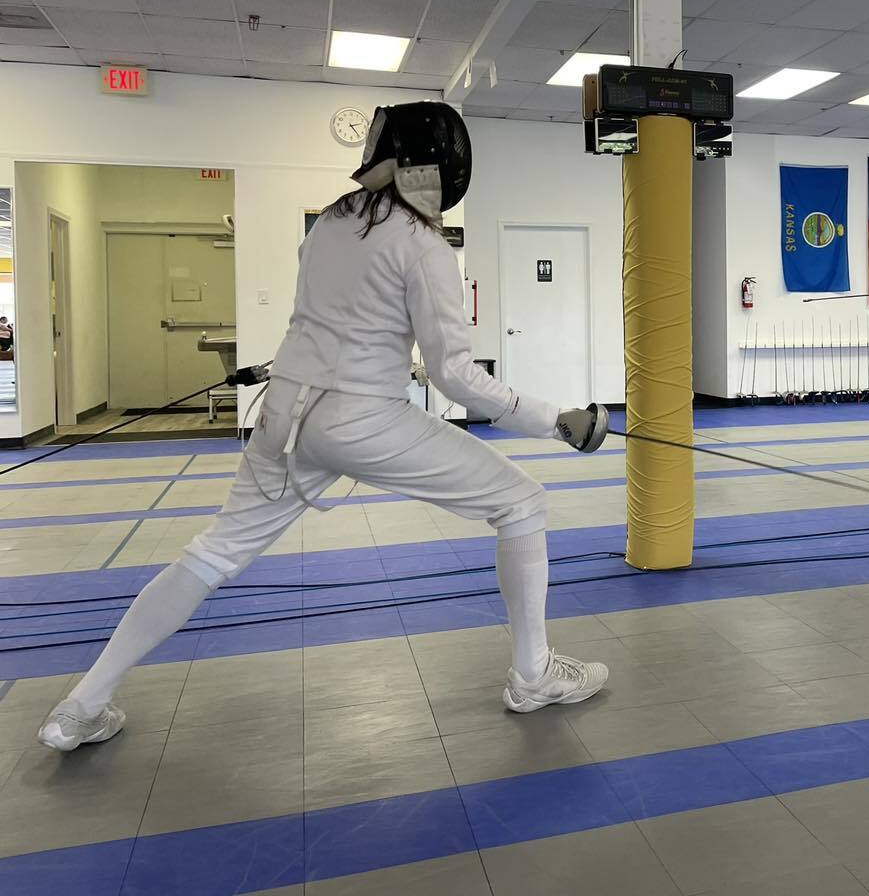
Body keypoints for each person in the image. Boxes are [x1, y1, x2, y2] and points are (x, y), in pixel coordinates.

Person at [39, 102, 609, 751]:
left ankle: (82, 704)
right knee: (522, 501)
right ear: (442, 168)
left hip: (285, 412)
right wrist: (553, 419)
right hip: (361, 416)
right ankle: (533, 675)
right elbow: (455, 375)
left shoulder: (332, 222)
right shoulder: (423, 246)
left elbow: (338, 320)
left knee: (213, 552)